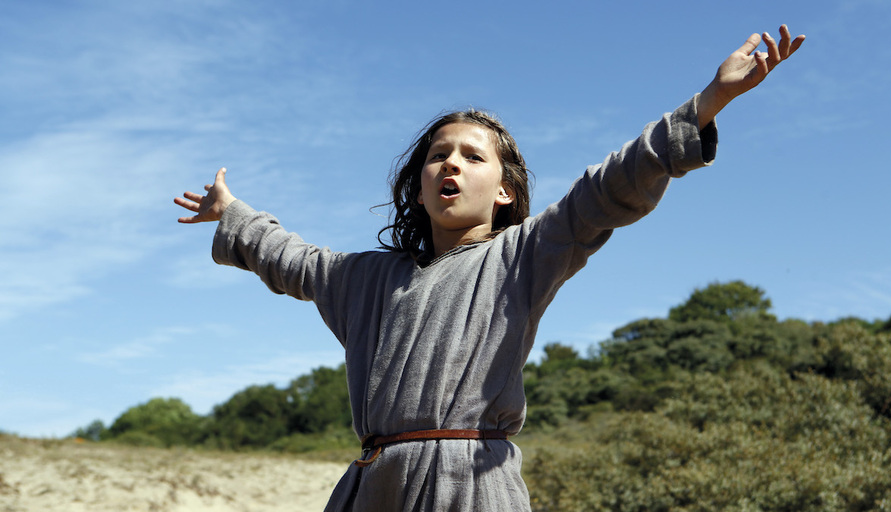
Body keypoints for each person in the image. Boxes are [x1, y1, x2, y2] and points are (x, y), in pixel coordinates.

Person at [175, 26, 804, 511]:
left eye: (473, 156)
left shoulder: (525, 254)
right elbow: (290, 258)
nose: (451, 164)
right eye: (438, 156)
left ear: (504, 191)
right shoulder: (361, 279)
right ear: (417, 188)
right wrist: (234, 212)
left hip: (470, 485)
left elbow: (607, 190)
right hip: (371, 485)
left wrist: (709, 102)